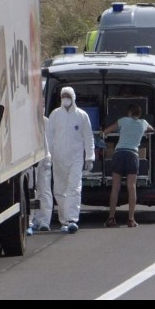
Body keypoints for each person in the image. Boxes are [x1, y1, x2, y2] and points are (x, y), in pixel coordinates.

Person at [45, 87, 95, 234]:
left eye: (68, 96)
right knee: (59, 190)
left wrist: (89, 157)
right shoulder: (55, 115)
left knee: (74, 188)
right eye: (63, 96)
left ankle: (72, 219)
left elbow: (88, 137)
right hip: (58, 158)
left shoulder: (82, 116)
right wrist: (47, 154)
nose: (65, 98)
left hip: (76, 158)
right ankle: (64, 220)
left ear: (73, 97)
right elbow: (48, 135)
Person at [101, 104, 154, 228]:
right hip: (133, 155)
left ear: (129, 113)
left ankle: (111, 218)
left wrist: (103, 134)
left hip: (119, 153)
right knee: (132, 187)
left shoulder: (123, 121)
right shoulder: (143, 123)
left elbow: (107, 131)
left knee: (115, 187)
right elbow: (152, 129)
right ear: (139, 114)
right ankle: (131, 219)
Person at [31, 116, 54, 232]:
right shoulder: (27, 118)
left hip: (44, 159)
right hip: (30, 160)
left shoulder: (45, 121)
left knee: (44, 191)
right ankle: (32, 220)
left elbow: (50, 142)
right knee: (32, 191)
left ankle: (44, 221)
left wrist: (48, 158)